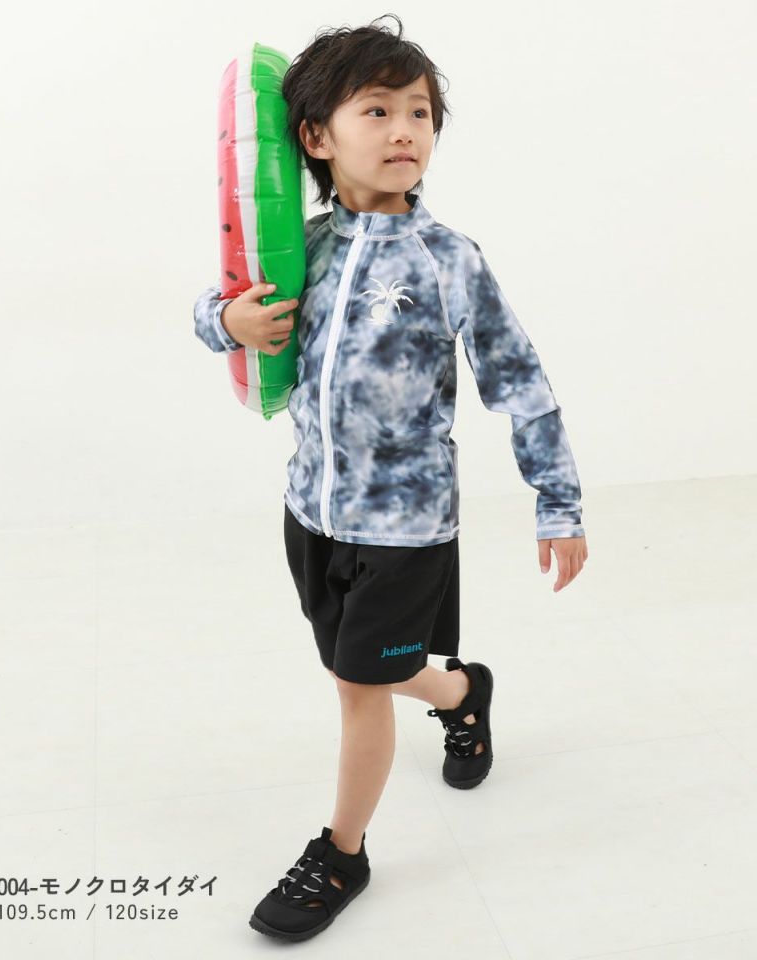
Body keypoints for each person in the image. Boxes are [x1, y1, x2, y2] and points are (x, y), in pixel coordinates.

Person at [193, 14, 588, 943]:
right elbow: (218, 307)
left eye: (420, 111)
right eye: (377, 109)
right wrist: (226, 322)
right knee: (371, 665)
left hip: (407, 528)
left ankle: (342, 852)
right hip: (309, 510)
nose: (406, 128)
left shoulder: (449, 259)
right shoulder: (301, 250)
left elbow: (520, 384)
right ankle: (463, 693)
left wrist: (558, 502)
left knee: (357, 688)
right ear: (316, 137)